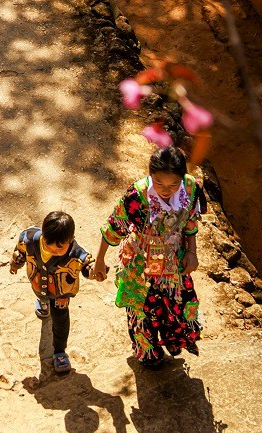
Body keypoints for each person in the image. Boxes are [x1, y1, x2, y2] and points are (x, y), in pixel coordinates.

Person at [92, 145, 203, 369]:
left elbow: (190, 223)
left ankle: (171, 342)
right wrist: (100, 260)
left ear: (182, 178)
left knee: (175, 306)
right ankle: (148, 352)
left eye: (173, 184)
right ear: (150, 175)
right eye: (159, 183)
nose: (166, 189)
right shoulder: (137, 196)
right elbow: (114, 227)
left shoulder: (190, 189)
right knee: (143, 311)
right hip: (141, 266)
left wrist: (192, 252)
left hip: (175, 264)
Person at [10, 210, 94, 375]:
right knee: (40, 294)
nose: (53, 250)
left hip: (61, 294)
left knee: (61, 321)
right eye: (48, 245)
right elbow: (20, 251)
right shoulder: (29, 239)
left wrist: (95, 271)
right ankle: (42, 301)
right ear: (43, 235)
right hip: (37, 282)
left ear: (71, 240)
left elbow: (87, 265)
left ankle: (60, 351)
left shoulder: (75, 253)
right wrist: (15, 263)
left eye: (60, 248)